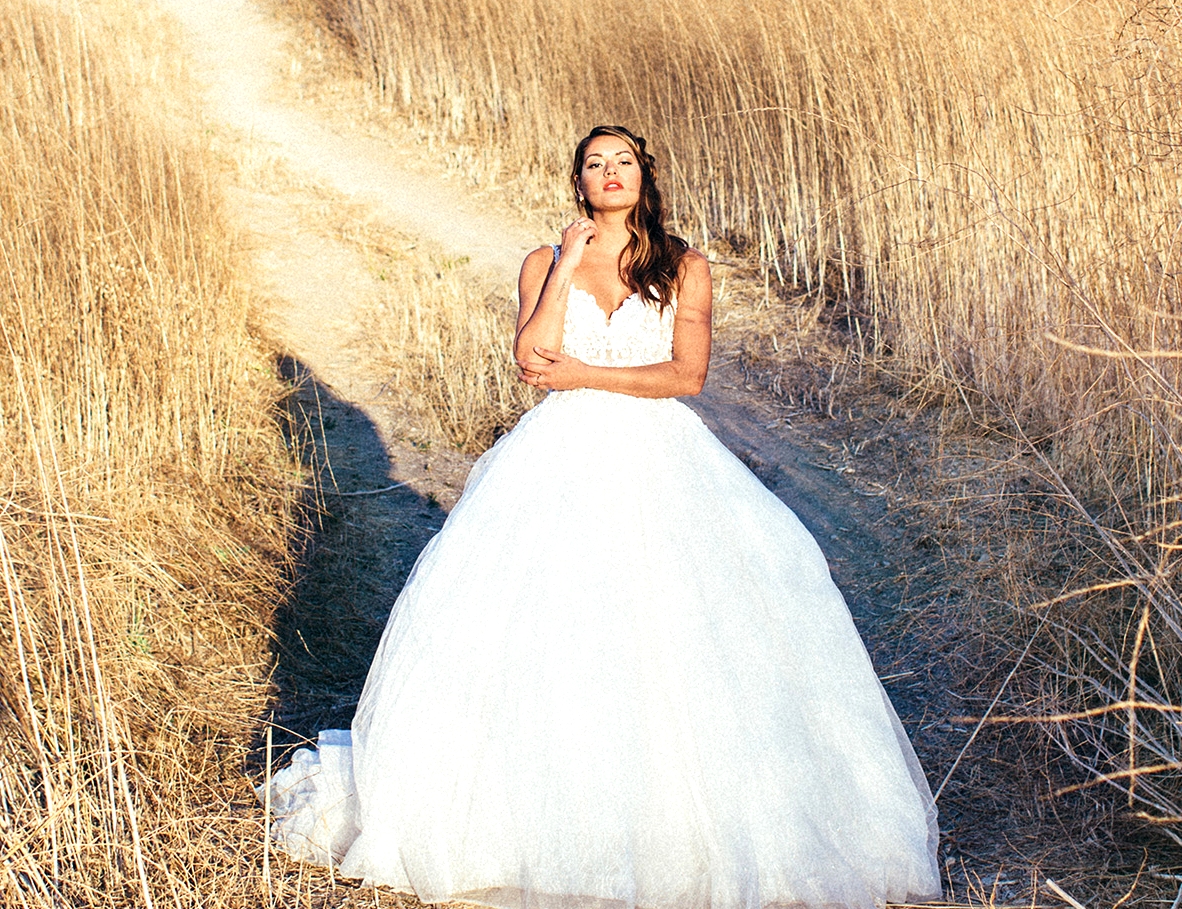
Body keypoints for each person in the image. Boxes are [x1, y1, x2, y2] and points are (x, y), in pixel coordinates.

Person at [264, 124, 940, 908]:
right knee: (557, 625)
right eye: (596, 164)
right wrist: (562, 266)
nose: (610, 173)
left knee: (673, 626)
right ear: (579, 182)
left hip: (662, 454)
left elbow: (687, 375)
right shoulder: (544, 261)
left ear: (643, 177)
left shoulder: (684, 266)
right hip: (558, 455)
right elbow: (530, 360)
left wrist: (585, 371)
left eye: (623, 162)